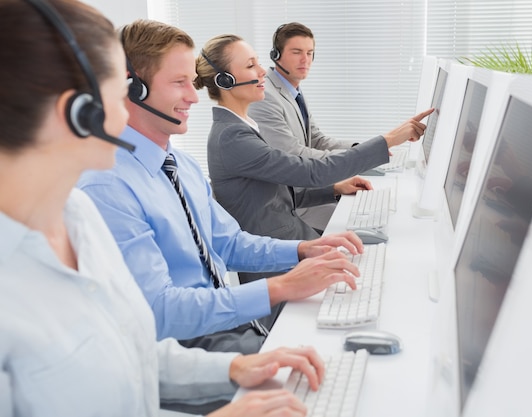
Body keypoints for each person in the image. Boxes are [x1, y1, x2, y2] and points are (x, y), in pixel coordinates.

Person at [0, 0, 325, 415]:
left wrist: (234, 367)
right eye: (118, 92)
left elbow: (128, 353)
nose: (126, 110)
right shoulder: (99, 194)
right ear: (79, 114)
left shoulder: (77, 216)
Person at [77, 19, 365, 356]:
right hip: (187, 349)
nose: (193, 97)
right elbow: (159, 310)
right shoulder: (107, 185)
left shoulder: (182, 166)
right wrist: (281, 286)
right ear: (133, 89)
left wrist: (302, 250)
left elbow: (228, 243)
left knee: (338, 344)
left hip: (228, 327)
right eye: (179, 82)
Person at [194, 34, 433, 284]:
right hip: (275, 260)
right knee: (381, 271)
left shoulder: (240, 127)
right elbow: (311, 171)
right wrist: (390, 139)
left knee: (380, 262)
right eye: (251, 65)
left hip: (289, 239)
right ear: (224, 80)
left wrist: (333, 189)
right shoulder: (232, 137)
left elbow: (271, 196)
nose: (263, 70)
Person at [245, 22, 369, 231]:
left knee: (366, 216)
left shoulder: (293, 91)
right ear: (276, 55)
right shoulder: (265, 96)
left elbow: (317, 139)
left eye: (310, 53)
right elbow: (292, 153)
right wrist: (353, 159)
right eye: (297, 52)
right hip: (291, 205)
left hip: (309, 192)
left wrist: (360, 148)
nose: (306, 60)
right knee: (356, 226)